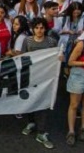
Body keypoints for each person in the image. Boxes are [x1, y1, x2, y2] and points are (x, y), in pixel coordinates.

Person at [20, 17, 59, 149]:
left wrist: (60, 58)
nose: (39, 30)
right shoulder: (27, 40)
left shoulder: (52, 41)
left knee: (43, 103)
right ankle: (31, 122)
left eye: (42, 28)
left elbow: (57, 57)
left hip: (46, 79)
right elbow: (23, 58)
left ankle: (42, 131)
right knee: (30, 101)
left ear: (45, 29)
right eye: (36, 28)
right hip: (31, 77)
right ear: (33, 29)